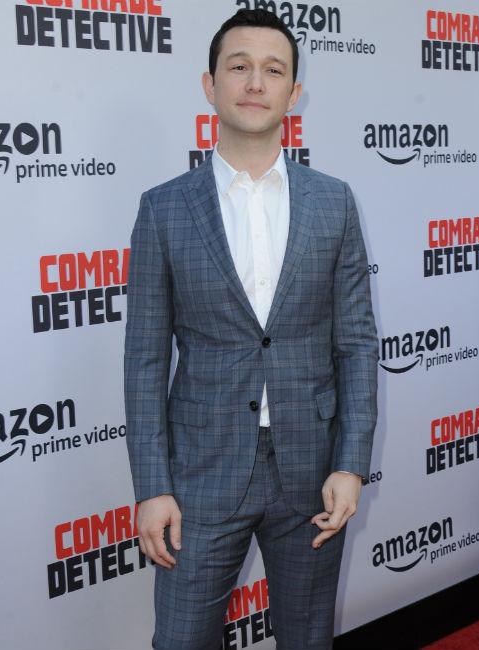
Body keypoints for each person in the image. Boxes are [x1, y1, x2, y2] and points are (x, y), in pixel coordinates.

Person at [124, 8, 378, 649]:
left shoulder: (335, 201)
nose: (256, 82)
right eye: (239, 67)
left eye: (273, 70)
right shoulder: (163, 209)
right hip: (199, 476)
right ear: (209, 85)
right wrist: (153, 486)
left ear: (295, 93)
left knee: (308, 638)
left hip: (312, 471)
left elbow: (355, 344)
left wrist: (351, 463)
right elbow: (145, 360)